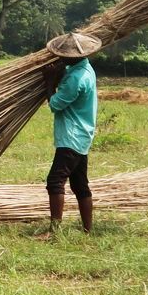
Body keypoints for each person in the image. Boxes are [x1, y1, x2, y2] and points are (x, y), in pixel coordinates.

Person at [40, 32, 102, 235]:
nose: (60, 58)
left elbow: (56, 104)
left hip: (72, 137)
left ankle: (54, 230)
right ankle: (87, 230)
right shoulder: (84, 68)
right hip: (82, 135)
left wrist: (49, 82)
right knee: (80, 184)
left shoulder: (76, 78)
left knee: (55, 181)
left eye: (63, 55)